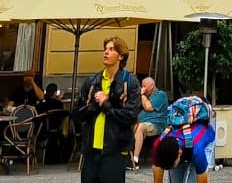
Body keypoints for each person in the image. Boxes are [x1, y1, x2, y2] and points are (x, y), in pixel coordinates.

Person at [75, 35, 142, 183]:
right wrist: (94, 105)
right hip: (91, 150)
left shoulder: (130, 82)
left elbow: (131, 116)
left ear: (121, 56)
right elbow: (77, 114)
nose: (106, 52)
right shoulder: (92, 81)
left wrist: (106, 104)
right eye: (105, 49)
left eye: (111, 49)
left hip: (115, 150)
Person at [152, 95, 216, 183]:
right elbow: (157, 179)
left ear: (179, 153)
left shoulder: (198, 150)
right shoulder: (158, 145)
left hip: (204, 140)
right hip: (184, 144)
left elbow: (202, 181)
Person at [134, 77, 168, 168]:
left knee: (140, 127)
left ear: (152, 86)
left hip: (156, 125)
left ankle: (135, 159)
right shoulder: (144, 97)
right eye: (142, 86)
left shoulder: (160, 95)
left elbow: (149, 107)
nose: (143, 88)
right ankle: (124, 157)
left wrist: (142, 95)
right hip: (140, 122)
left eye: (144, 86)